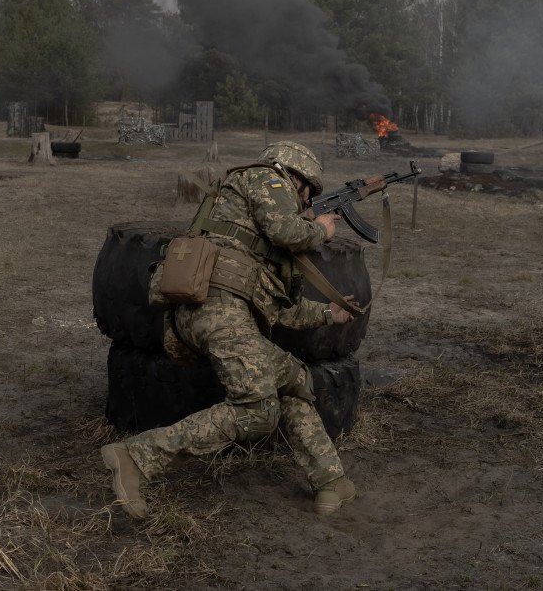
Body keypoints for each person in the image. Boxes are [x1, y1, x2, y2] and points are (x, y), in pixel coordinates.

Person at [102, 140, 358, 518]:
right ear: (296, 177)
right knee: (258, 410)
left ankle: (330, 480)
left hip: (206, 313)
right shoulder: (267, 178)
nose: (305, 203)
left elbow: (278, 307)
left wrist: (327, 314)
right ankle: (137, 457)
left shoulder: (245, 231)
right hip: (220, 311)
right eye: (307, 194)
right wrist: (320, 229)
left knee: (293, 379)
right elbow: (287, 231)